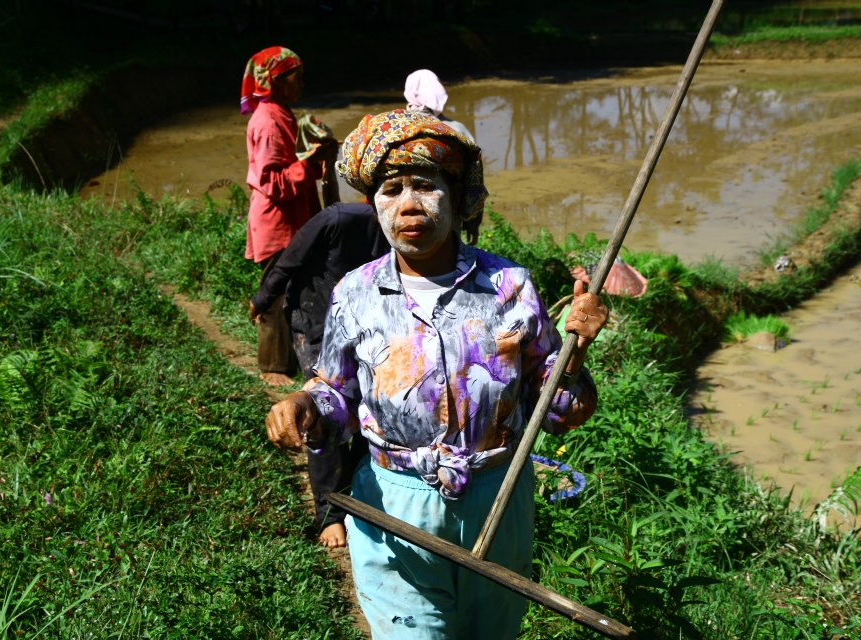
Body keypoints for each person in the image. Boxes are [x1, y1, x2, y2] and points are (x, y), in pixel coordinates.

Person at [264, 109, 608, 639]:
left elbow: (559, 411)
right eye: (391, 189)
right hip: (393, 504)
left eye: (425, 186)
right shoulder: (355, 293)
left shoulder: (509, 287)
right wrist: (306, 405)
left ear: (457, 195)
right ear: (374, 203)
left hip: (498, 495)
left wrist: (577, 354)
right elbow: (335, 390)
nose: (407, 205)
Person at [249, 200, 389, 547]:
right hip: (314, 319)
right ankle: (329, 513)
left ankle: (357, 497)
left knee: (366, 413)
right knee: (320, 415)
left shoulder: (399, 225)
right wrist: (265, 297)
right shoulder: (335, 218)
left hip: (364, 325)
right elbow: (291, 260)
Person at [240, 45, 336, 386]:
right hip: (277, 220)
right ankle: (271, 367)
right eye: (298, 77)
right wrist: (309, 165)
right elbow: (271, 182)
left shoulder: (280, 113)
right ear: (278, 80)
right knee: (274, 292)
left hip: (293, 218)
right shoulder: (267, 122)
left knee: (296, 289)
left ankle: (291, 360)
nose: (302, 83)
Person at [404, 68, 476, 142]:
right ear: (439, 90)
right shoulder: (456, 129)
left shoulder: (397, 127)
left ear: (409, 92)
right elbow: (475, 151)